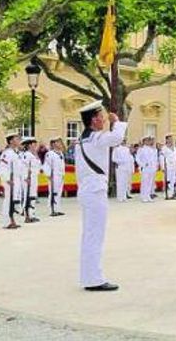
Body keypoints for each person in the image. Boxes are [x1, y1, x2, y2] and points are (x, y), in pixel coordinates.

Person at [76, 101, 127, 292]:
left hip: (89, 189)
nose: (104, 119)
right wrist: (118, 122)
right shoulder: (96, 138)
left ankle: (88, 276)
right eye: (101, 116)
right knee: (94, 235)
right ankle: (94, 279)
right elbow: (117, 138)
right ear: (94, 120)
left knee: (89, 235)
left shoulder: (84, 139)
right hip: (95, 190)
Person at [0, 132, 24, 230]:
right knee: (8, 200)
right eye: (16, 139)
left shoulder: (16, 152)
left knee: (14, 201)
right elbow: (2, 167)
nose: (18, 141)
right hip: (10, 180)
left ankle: (12, 219)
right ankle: (6, 221)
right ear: (11, 141)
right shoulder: (7, 153)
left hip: (16, 179)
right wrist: (7, 179)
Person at [43, 137, 66, 216]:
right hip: (53, 176)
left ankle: (57, 208)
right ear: (53, 144)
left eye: (60, 142)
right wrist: (49, 175)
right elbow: (46, 165)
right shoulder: (50, 154)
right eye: (58, 142)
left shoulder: (61, 153)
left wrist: (63, 174)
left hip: (60, 175)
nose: (60, 144)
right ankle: (52, 209)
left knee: (59, 193)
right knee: (53, 192)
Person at [21, 137, 41, 223]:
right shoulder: (26, 155)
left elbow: (38, 165)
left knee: (32, 197)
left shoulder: (32, 154)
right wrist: (26, 177)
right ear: (29, 145)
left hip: (34, 178)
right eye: (34, 144)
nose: (35, 146)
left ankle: (32, 214)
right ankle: (27, 216)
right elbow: (23, 167)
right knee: (28, 197)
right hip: (28, 179)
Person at [136, 136, 158, 203]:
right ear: (144, 141)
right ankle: (143, 196)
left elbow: (154, 159)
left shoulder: (152, 149)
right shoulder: (141, 149)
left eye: (149, 140)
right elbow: (137, 159)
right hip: (145, 168)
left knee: (150, 183)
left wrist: (155, 166)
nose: (149, 141)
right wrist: (143, 164)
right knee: (144, 182)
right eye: (147, 140)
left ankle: (148, 196)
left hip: (152, 168)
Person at [162, 135, 176, 199]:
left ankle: (172, 193)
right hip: (168, 166)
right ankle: (167, 194)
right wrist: (163, 167)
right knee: (168, 181)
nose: (171, 140)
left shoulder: (175, 148)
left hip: (174, 166)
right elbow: (162, 158)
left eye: (172, 139)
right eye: (169, 139)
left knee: (173, 180)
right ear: (166, 140)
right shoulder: (164, 148)